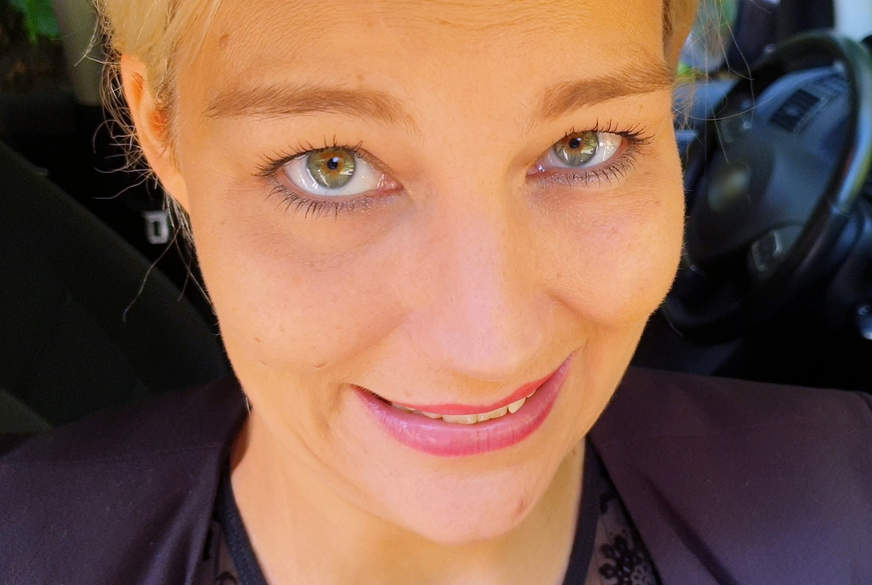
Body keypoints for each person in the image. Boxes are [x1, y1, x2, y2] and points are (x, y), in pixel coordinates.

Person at [2, 1, 871, 584]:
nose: (492, 346)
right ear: (163, 134)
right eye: (333, 165)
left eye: (582, 144)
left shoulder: (849, 501)